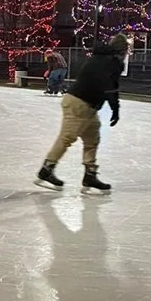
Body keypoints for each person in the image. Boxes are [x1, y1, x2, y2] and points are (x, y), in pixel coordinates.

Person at [35, 33, 129, 195]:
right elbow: (109, 86)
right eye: (126, 50)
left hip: (87, 105)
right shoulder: (110, 62)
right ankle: (46, 169)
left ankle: (90, 175)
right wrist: (115, 108)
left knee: (92, 139)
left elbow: (108, 85)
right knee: (67, 137)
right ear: (121, 50)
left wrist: (114, 107)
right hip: (79, 103)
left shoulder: (101, 57)